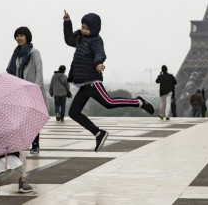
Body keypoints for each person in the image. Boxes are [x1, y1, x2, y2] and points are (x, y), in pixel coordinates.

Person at [62, 10, 154, 152]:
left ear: (94, 29)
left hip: (92, 81)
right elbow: (68, 40)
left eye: (87, 28)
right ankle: (99, 133)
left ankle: (138, 102)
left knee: (109, 103)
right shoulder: (80, 39)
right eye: (82, 27)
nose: (83, 30)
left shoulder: (96, 40)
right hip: (83, 85)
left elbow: (100, 53)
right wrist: (67, 22)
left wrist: (99, 63)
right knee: (74, 112)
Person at [6, 26, 45, 154]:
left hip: (32, 89)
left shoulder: (34, 52)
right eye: (17, 36)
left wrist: (36, 88)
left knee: (33, 118)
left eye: (21, 35)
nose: (19, 38)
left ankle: (35, 144)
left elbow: (39, 72)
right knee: (20, 118)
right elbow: (11, 71)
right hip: (19, 90)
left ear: (27, 37)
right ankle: (21, 142)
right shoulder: (16, 53)